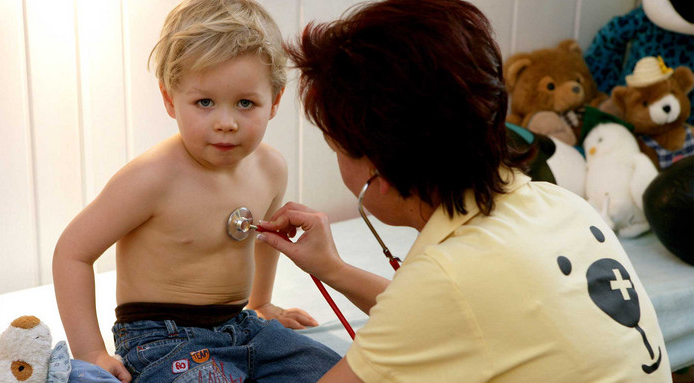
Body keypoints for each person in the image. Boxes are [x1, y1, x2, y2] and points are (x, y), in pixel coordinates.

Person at [257, 0, 673, 381]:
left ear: (378, 170)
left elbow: (438, 303)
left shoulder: (446, 279)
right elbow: (442, 315)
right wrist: (334, 269)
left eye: (336, 148)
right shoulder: (560, 203)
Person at [52, 0, 340, 382]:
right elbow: (72, 252)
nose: (226, 123)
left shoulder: (271, 168)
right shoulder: (151, 178)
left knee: (341, 372)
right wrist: (90, 351)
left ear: (274, 101)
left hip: (242, 325)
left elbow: (264, 237)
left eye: (245, 103)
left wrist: (262, 303)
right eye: (204, 102)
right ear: (171, 99)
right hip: (161, 338)